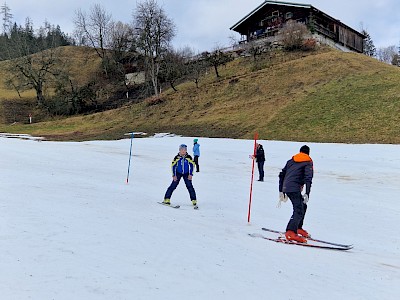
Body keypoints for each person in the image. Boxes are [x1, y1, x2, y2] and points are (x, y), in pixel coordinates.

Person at [278, 145, 313, 243]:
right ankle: (290, 232)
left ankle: (298, 227)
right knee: (298, 209)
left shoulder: (290, 161)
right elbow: (308, 178)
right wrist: (307, 193)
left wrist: (281, 190)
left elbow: (281, 175)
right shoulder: (308, 162)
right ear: (308, 153)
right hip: (294, 188)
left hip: (287, 187)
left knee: (303, 206)